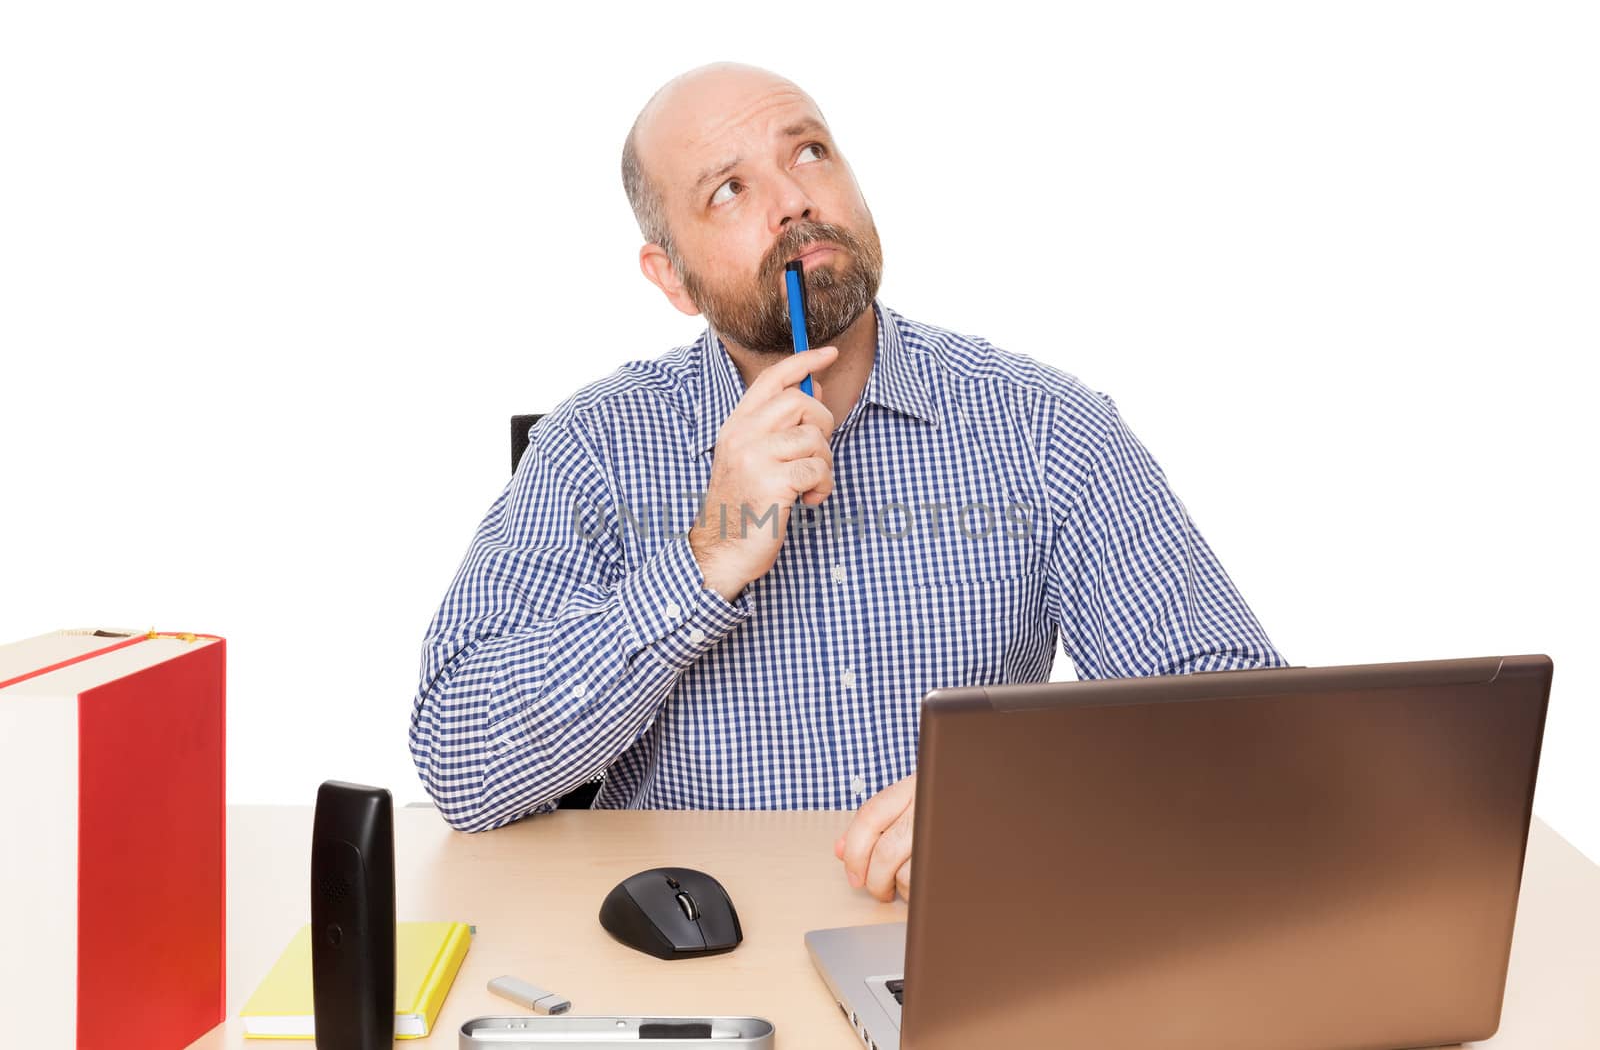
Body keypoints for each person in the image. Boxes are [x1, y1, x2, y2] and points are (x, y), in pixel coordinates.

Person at [409, 61, 1288, 904]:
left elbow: (1247, 731)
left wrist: (1029, 793)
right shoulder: (596, 447)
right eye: (730, 189)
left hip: (975, 932)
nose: (794, 199)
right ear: (671, 276)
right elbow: (461, 762)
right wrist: (705, 561)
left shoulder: (1044, 426)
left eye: (809, 152)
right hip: (694, 959)